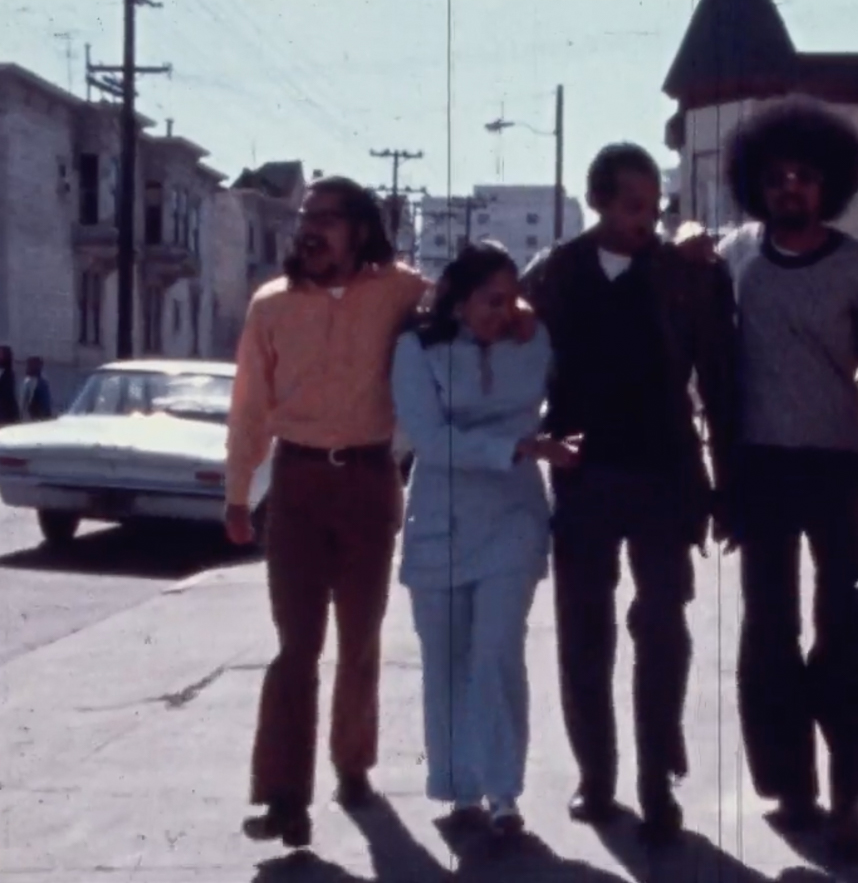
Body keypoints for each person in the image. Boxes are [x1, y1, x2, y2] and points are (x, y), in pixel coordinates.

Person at [224, 175, 537, 849]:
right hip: (299, 483)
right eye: (306, 217)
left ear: (361, 229)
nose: (311, 230)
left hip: (369, 481)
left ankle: (353, 766)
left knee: (359, 641)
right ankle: (284, 797)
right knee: (295, 648)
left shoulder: (399, 291)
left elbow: (468, 297)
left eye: (329, 219)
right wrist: (237, 492)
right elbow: (249, 404)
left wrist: (522, 309)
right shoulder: (270, 306)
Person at [716, 95, 858, 858]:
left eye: (804, 177)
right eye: (776, 178)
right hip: (759, 469)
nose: (790, 189)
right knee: (768, 626)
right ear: (757, 186)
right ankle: (789, 786)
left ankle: (848, 791)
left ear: (828, 183)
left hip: (836, 465)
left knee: (843, 625)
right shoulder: (735, 256)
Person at [522, 142, 738, 844]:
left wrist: (728, 483)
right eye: (632, 206)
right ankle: (597, 777)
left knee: (663, 631)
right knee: (585, 634)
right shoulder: (552, 274)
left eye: (654, 207)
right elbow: (502, 352)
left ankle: (656, 783)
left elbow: (721, 382)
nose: (646, 220)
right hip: (583, 477)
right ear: (600, 200)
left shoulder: (687, 276)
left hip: (666, 475)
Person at [392, 241, 578, 837]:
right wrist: (518, 448)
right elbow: (430, 438)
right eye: (490, 301)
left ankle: (503, 793)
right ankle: (459, 788)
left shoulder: (534, 341)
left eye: (511, 299)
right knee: (446, 658)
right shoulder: (417, 350)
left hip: (513, 519)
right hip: (440, 518)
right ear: (459, 299)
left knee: (497, 651)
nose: (504, 311)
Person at [20, 356, 53, 421]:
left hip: (40, 417)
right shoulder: (27, 382)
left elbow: (46, 403)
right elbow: (23, 402)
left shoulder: (43, 383)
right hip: (31, 417)